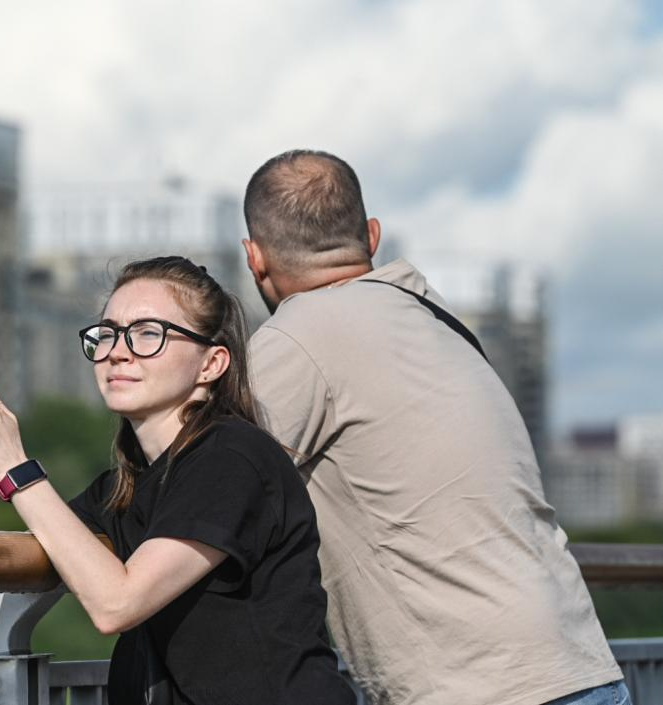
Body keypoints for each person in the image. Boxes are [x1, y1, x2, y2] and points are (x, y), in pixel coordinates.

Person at [241, 149, 629, 705]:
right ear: (372, 236)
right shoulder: (435, 316)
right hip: (584, 670)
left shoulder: (295, 336)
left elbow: (221, 488)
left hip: (475, 688)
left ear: (254, 257)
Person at [0, 256, 355, 705]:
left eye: (149, 333)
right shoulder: (124, 486)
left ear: (211, 364)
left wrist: (14, 466)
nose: (117, 351)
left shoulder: (232, 457)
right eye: (107, 334)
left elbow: (117, 604)